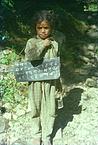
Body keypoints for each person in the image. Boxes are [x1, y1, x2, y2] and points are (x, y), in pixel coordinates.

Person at [24, 10, 66, 145]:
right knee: (35, 107)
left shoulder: (55, 44)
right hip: (34, 81)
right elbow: (30, 56)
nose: (43, 31)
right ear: (35, 28)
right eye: (39, 28)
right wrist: (43, 44)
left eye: (46, 27)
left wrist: (59, 84)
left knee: (51, 108)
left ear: (51, 27)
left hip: (51, 82)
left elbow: (57, 63)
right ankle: (37, 134)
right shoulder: (31, 42)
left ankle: (47, 135)